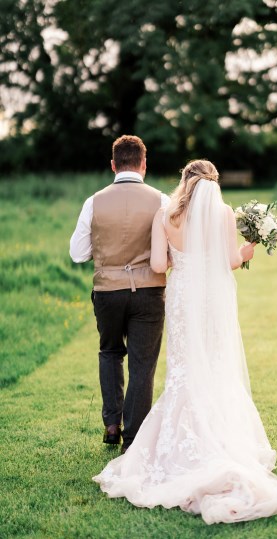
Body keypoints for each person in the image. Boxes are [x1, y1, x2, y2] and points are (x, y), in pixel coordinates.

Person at [93, 159, 277, 524]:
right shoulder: (225, 213)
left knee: (183, 367)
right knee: (214, 362)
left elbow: (161, 267)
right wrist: (246, 253)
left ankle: (178, 443)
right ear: (213, 183)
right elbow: (229, 260)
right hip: (213, 297)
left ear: (184, 180)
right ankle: (222, 436)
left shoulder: (165, 215)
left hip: (182, 297)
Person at [70, 135, 169, 451]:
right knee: (143, 364)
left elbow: (77, 253)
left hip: (108, 292)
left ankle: (112, 426)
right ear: (144, 164)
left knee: (110, 353)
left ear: (113, 165)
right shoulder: (162, 200)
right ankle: (134, 440)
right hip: (150, 292)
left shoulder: (94, 201)